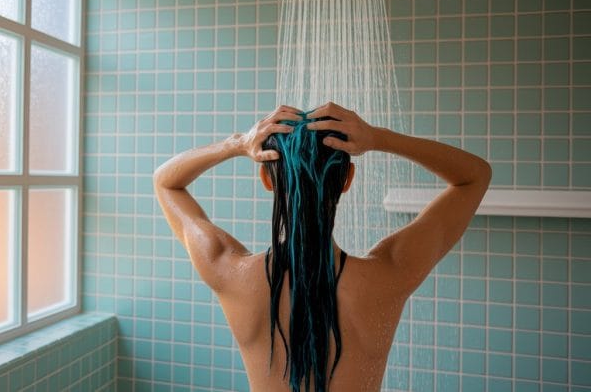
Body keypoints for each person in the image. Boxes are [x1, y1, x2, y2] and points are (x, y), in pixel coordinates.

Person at [153, 103, 491, 392]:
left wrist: (238, 143)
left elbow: (166, 183)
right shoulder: (389, 272)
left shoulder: (231, 271)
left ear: (267, 180)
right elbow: (475, 176)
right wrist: (377, 138)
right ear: (347, 180)